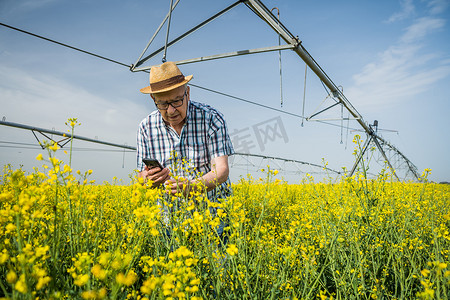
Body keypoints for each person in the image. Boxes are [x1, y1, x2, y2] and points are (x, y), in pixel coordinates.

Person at [136, 61, 234, 202]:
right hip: (169, 218)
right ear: (153, 99)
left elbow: (221, 170)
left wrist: (193, 187)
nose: (171, 111)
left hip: (212, 215)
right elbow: (141, 177)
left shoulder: (211, 118)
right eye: (163, 103)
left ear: (187, 93)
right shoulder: (146, 128)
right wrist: (149, 179)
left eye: (177, 101)